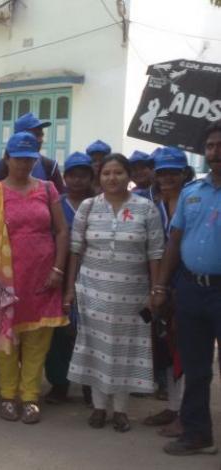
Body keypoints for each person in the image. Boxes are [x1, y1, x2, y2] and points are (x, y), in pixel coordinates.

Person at [0, 131, 69, 424]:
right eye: (18, 159)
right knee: (6, 340)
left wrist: (58, 270)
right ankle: (7, 395)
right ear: (7, 158)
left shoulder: (48, 189)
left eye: (29, 159)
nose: (24, 164)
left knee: (38, 341)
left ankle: (30, 397)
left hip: (43, 278)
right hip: (5, 280)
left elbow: (62, 231)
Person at [64, 153, 164, 432]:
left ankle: (120, 410)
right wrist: (70, 290)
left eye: (118, 172)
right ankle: (98, 407)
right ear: (100, 177)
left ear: (128, 175)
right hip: (93, 293)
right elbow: (75, 250)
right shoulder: (88, 207)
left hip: (132, 296)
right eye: (107, 173)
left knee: (125, 350)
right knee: (96, 348)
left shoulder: (146, 208)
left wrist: (156, 290)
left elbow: (155, 253)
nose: (112, 178)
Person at [153, 122, 221, 457]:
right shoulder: (192, 193)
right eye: (210, 146)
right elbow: (175, 241)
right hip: (192, 289)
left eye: (220, 145)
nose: (215, 152)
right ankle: (197, 434)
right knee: (195, 367)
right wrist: (161, 285)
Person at [143, 147, 189, 436]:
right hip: (158, 284)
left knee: (188, 349)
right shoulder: (151, 205)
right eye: (162, 173)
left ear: (184, 173)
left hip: (189, 283)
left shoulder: (193, 201)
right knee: (166, 347)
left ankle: (188, 411)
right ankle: (174, 406)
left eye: (173, 172)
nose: (167, 178)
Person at [44, 152, 96, 405]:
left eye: (83, 175)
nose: (77, 180)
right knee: (59, 331)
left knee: (90, 331)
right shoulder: (56, 203)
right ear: (65, 178)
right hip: (59, 270)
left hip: (93, 274)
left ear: (90, 178)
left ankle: (90, 385)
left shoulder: (99, 204)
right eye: (73, 175)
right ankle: (59, 383)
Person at [0, 113, 66, 193]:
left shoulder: (49, 167)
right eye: (36, 135)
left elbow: (60, 197)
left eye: (41, 135)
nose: (41, 140)